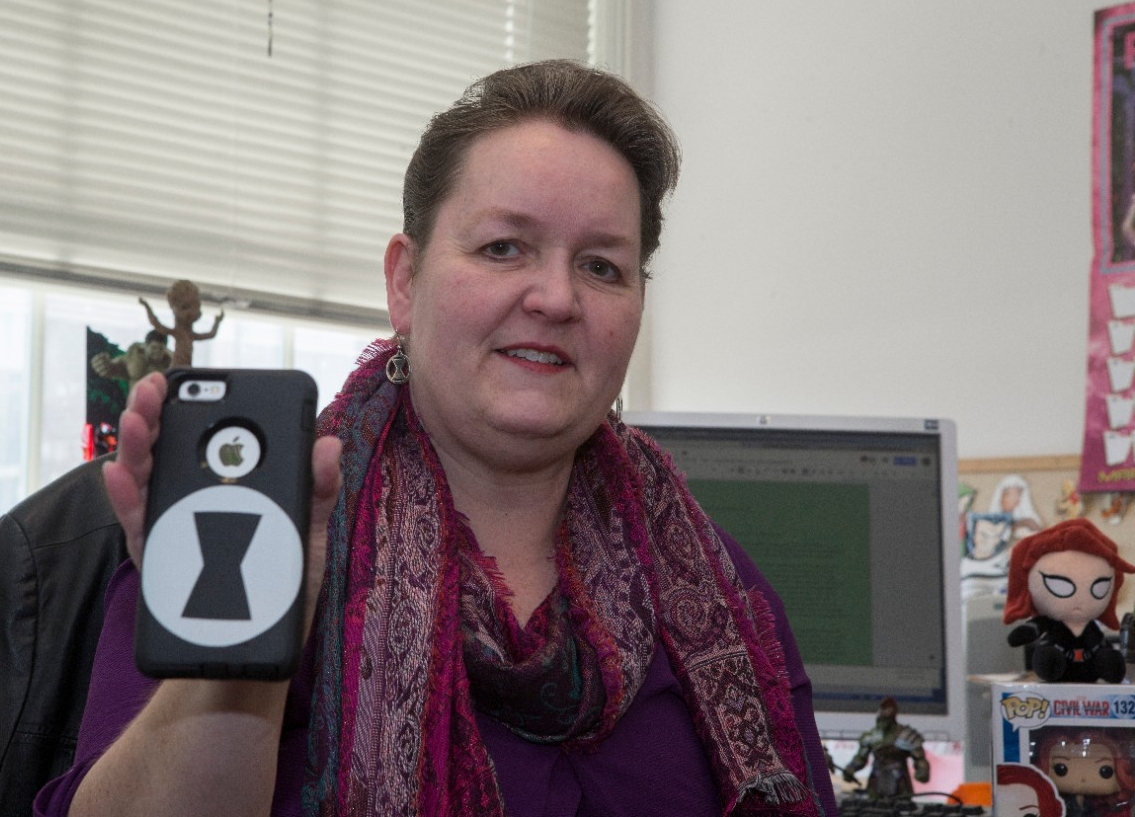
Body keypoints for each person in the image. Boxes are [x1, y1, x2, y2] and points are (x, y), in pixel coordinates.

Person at [34, 59, 836, 816]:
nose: (556, 297)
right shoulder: (257, 527)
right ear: (403, 282)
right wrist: (250, 643)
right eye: (502, 247)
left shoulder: (723, 588)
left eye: (601, 266)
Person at [1003, 518, 1135, 683]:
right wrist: (1026, 632)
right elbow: (1031, 630)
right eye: (1060, 586)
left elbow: (1100, 644)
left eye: (1098, 588)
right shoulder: (1052, 622)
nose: (1079, 600)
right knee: (1047, 657)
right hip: (1058, 671)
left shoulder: (1091, 627)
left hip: (1090, 676)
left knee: (1108, 657)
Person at [841, 697, 930, 800]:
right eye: (883, 709)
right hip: (877, 777)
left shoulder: (907, 735)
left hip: (899, 778)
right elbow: (860, 758)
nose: (884, 713)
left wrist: (922, 771)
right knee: (873, 806)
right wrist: (850, 769)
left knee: (902, 806)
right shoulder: (871, 736)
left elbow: (920, 759)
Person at [139, 278, 224, 367]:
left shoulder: (190, 335)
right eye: (185, 307)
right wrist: (147, 307)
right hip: (178, 367)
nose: (193, 312)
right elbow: (157, 324)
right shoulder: (178, 333)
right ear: (173, 309)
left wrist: (217, 322)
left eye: (197, 306)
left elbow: (211, 334)